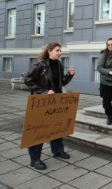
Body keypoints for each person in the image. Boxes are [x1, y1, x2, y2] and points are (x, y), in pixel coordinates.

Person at [24, 42, 75, 170]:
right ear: (50, 51)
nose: (60, 53)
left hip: (56, 101)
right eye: (57, 50)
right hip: (42, 102)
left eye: (60, 50)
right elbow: (28, 80)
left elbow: (61, 82)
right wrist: (44, 92)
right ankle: (34, 159)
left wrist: (70, 74)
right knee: (38, 130)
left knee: (57, 126)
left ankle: (57, 151)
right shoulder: (40, 65)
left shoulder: (59, 65)